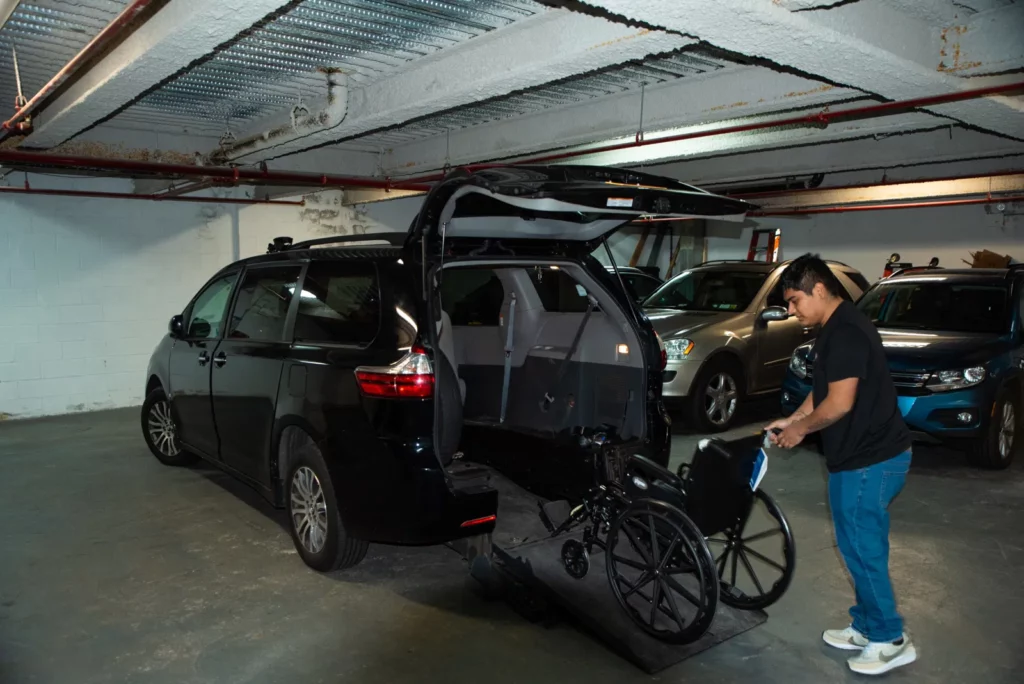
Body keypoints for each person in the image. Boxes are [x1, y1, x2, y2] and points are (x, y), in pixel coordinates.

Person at [765, 253, 916, 676]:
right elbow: (823, 391)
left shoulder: (846, 333)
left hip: (871, 460)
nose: (792, 311)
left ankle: (889, 639)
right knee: (857, 544)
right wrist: (793, 418)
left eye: (795, 301)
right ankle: (867, 625)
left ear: (818, 289)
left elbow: (840, 403)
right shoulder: (835, 328)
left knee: (862, 549)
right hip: (861, 457)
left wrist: (802, 431)